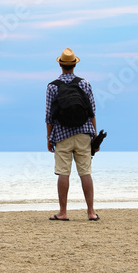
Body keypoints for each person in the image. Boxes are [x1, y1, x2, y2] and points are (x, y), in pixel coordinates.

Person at [46, 48, 99, 221]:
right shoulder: (84, 84)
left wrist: (49, 138)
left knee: (63, 172)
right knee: (85, 172)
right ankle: (91, 212)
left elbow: (49, 116)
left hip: (62, 135)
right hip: (84, 133)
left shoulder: (53, 86)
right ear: (75, 64)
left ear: (60, 65)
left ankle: (63, 212)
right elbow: (92, 111)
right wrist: (94, 136)